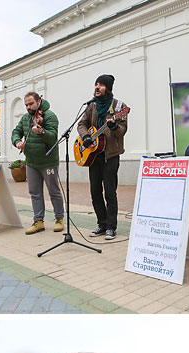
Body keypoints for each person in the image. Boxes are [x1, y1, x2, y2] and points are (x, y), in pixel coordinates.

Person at [77, 75, 128, 239]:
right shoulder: (91, 105)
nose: (97, 87)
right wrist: (85, 137)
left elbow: (122, 130)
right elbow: (81, 124)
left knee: (110, 193)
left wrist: (113, 127)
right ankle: (102, 224)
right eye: (96, 84)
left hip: (110, 155)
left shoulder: (120, 107)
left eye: (101, 85)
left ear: (108, 88)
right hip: (93, 155)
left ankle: (111, 227)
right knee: (95, 192)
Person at [11, 90, 64, 234]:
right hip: (32, 162)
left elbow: (53, 137)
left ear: (38, 101)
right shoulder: (25, 119)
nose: (28, 107)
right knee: (35, 192)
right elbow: (16, 132)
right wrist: (17, 142)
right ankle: (38, 221)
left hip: (48, 161)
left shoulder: (50, 116)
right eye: (26, 105)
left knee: (54, 191)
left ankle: (59, 218)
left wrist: (42, 132)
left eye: (31, 104)